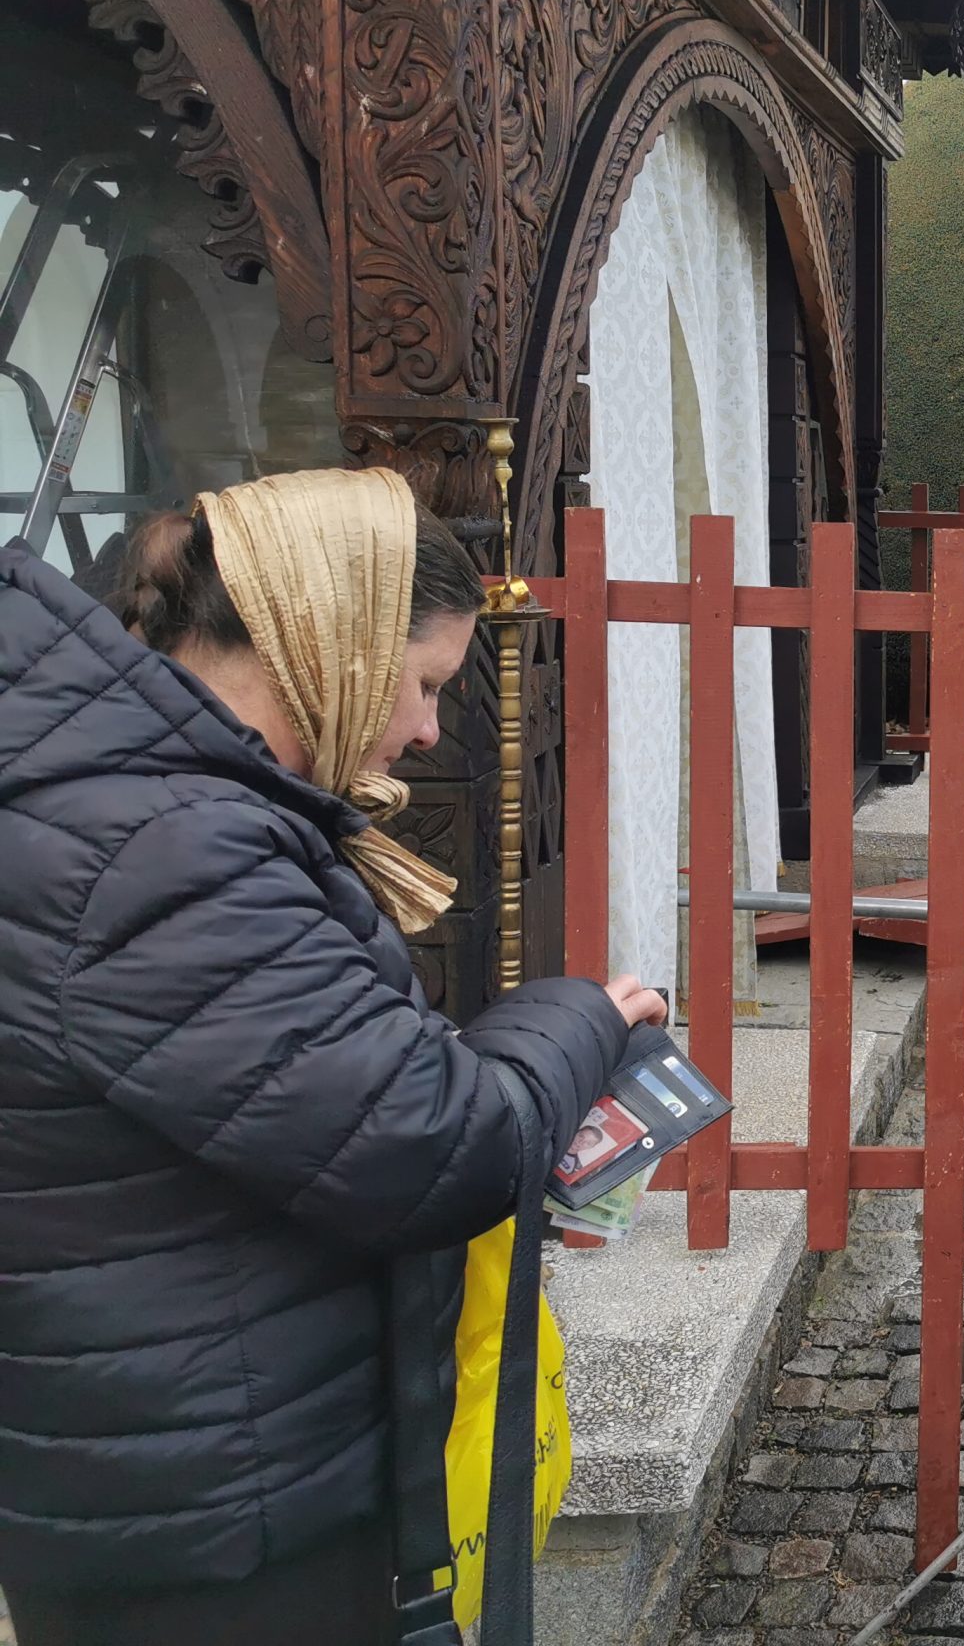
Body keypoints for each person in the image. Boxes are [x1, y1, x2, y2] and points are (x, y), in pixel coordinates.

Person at [0, 469, 666, 1646]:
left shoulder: (132, 804)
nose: (426, 730)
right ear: (332, 640)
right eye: (425, 683)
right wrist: (579, 1022)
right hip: (222, 1534)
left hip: (174, 1475)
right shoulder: (167, 853)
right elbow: (430, 1146)